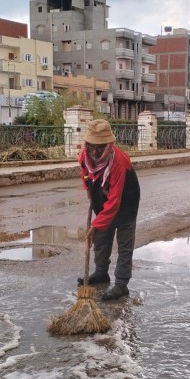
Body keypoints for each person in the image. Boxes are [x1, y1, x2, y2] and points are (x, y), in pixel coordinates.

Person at [77, 118, 140, 301]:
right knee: (101, 240)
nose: (94, 151)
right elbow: (84, 172)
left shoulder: (118, 162)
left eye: (100, 147)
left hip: (126, 201)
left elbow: (115, 201)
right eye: (91, 146)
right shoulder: (85, 155)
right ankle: (101, 273)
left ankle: (121, 284)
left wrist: (95, 225)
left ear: (109, 145)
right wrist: (87, 189)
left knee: (124, 245)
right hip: (101, 196)